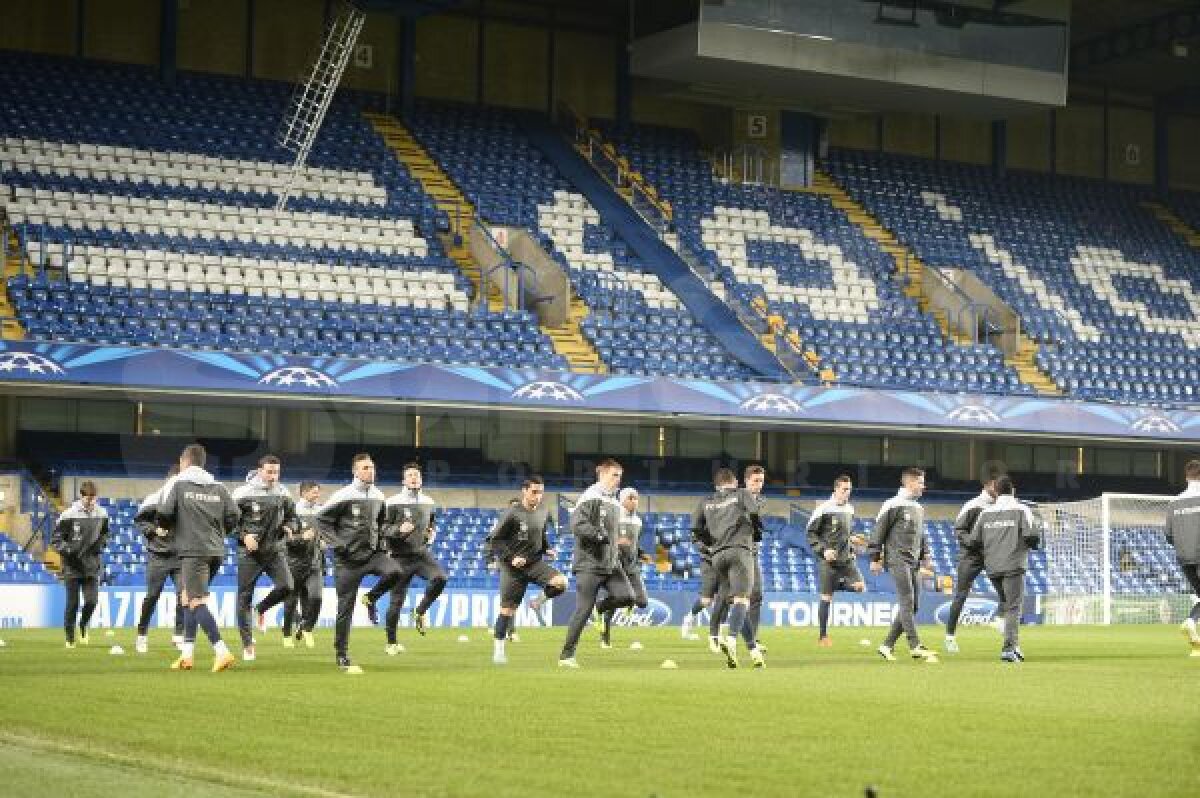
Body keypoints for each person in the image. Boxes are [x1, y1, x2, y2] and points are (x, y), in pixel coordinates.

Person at [315, 453, 404, 674]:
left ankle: (371, 598)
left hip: (372, 555)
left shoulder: (379, 496)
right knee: (345, 609)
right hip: (347, 561)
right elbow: (320, 520)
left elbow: (381, 524)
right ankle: (341, 654)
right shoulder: (342, 495)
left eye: (372, 467)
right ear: (355, 471)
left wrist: (385, 543)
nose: (370, 471)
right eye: (365, 468)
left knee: (396, 571)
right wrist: (337, 545)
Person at [155, 443, 240, 673]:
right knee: (187, 597)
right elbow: (234, 516)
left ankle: (221, 651)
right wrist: (220, 533)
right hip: (215, 551)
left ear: (184, 461)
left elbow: (163, 512)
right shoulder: (219, 486)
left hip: (193, 552)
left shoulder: (179, 483)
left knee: (195, 601)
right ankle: (187, 655)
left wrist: (164, 528)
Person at [362, 463, 448, 655]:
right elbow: (381, 529)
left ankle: (420, 611)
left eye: (416, 475)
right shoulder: (392, 502)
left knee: (441, 578)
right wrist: (398, 531)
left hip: (421, 555)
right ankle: (391, 643)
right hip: (399, 557)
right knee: (396, 602)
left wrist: (430, 534)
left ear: (421, 479)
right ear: (403, 480)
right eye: (409, 475)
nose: (413, 478)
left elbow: (430, 525)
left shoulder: (428, 501)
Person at [557, 459, 635, 668]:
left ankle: (600, 607)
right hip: (589, 563)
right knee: (583, 610)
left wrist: (618, 547)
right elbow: (576, 524)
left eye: (620, 476)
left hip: (610, 563)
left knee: (627, 596)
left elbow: (611, 534)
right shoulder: (590, 496)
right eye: (614, 475)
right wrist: (598, 536)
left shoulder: (615, 503)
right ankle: (566, 656)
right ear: (602, 475)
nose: (618, 480)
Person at [486, 475, 567, 664]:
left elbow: (540, 534)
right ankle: (498, 651)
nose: (538, 496)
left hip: (535, 564)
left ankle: (538, 601)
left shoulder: (544, 511)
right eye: (534, 492)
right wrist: (512, 558)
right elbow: (495, 540)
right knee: (507, 610)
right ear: (524, 491)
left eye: (541, 492)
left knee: (561, 583)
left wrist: (547, 548)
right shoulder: (512, 513)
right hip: (512, 568)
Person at [691, 467, 765, 669]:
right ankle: (731, 639)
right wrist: (757, 532)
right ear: (734, 483)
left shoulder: (706, 502)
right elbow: (754, 513)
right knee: (743, 600)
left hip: (717, 557)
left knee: (735, 603)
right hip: (740, 552)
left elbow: (696, 531)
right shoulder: (741, 494)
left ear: (717, 485)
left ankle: (753, 651)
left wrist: (711, 544)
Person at [964, 476, 1040, 663]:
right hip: (1013, 565)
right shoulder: (1022, 509)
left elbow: (973, 541)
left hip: (993, 568)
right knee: (1013, 607)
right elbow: (1031, 535)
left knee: (1007, 606)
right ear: (1012, 491)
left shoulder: (985, 513)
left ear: (996, 492)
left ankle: (1014, 645)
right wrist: (1033, 543)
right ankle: (1009, 648)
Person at [231, 456, 298, 662]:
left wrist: (290, 527)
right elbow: (227, 522)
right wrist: (244, 536)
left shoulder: (283, 492)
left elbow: (293, 517)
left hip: (275, 551)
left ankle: (260, 609)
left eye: (276, 472)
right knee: (244, 597)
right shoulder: (242, 493)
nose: (273, 476)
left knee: (287, 586)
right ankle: (248, 644)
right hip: (249, 554)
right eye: (269, 472)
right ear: (259, 471)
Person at [870, 467, 938, 664]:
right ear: (909, 483)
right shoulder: (892, 505)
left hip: (914, 561)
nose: (923, 486)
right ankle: (915, 645)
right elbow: (878, 532)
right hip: (897, 559)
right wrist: (875, 558)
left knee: (914, 605)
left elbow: (921, 534)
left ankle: (886, 645)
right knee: (907, 601)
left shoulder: (919, 508)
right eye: (920, 482)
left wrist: (926, 555)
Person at [943, 469, 1002, 653]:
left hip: (992, 556)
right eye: (995, 484)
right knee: (960, 596)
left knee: (1006, 591)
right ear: (987, 485)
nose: (998, 488)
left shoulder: (1001, 506)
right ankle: (950, 637)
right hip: (970, 557)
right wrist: (973, 544)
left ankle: (1000, 619)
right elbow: (959, 529)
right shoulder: (972, 505)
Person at [806, 474, 866, 647]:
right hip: (829, 561)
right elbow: (810, 533)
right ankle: (823, 636)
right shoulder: (823, 508)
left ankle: (837, 584)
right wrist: (823, 550)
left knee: (861, 587)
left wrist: (853, 544)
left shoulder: (850, 509)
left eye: (849, 490)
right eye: (844, 489)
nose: (847, 493)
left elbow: (846, 534)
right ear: (836, 489)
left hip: (847, 560)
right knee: (826, 597)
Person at [50, 481, 109, 649]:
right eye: (87, 498)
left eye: (93, 498)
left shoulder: (103, 513)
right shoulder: (68, 515)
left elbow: (106, 534)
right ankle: (70, 638)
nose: (90, 502)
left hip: (91, 565)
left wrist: (101, 544)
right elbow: (55, 540)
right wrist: (68, 550)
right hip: (72, 566)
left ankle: (83, 625)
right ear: (81, 497)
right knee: (73, 603)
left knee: (92, 601)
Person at [133, 466, 185, 654]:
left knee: (183, 595)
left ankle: (179, 635)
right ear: (170, 480)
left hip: (180, 556)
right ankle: (141, 634)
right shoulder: (154, 499)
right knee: (152, 596)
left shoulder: (186, 501)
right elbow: (139, 521)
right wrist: (153, 531)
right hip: (158, 556)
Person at [599, 487, 650, 649]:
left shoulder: (638, 521)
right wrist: (615, 542)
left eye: (636, 498)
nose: (634, 501)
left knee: (642, 602)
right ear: (622, 499)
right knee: (615, 605)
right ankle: (605, 638)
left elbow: (634, 544)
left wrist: (641, 554)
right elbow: (602, 537)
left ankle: (605, 605)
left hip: (632, 567)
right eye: (630, 498)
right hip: (615, 566)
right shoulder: (613, 517)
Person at [1164, 459, 1200, 658]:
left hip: (1184, 557)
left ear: (1186, 477)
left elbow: (1168, 534)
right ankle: (1192, 621)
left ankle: (1193, 631)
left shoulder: (1174, 502)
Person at [281, 480, 323, 649]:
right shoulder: (293, 512)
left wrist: (324, 542)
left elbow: (322, 534)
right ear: (303, 493)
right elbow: (285, 540)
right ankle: (286, 633)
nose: (317, 495)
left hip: (314, 564)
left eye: (318, 492)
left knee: (316, 597)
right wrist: (301, 538)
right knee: (290, 602)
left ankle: (307, 628)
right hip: (293, 564)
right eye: (314, 492)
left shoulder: (321, 511)